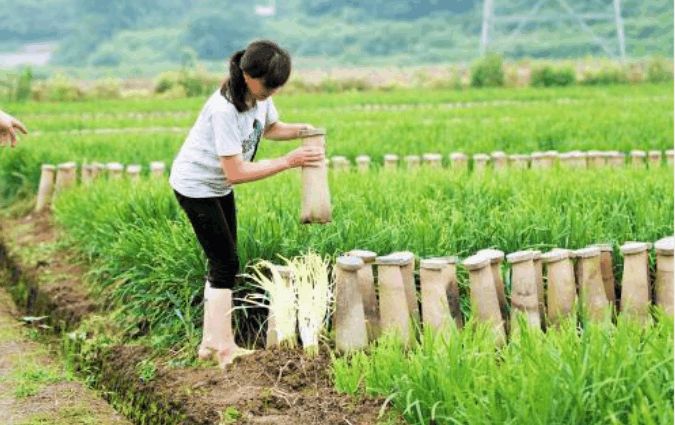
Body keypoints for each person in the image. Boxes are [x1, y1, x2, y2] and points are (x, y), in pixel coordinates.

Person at [169, 40, 324, 368]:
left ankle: (210, 345)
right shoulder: (225, 108)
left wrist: (305, 131)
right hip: (197, 186)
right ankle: (225, 348)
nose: (271, 92)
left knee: (223, 262)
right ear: (246, 74)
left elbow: (269, 129)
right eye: (267, 85)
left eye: (277, 87)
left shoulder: (260, 98)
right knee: (225, 263)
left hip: (217, 186)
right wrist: (289, 161)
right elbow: (236, 172)